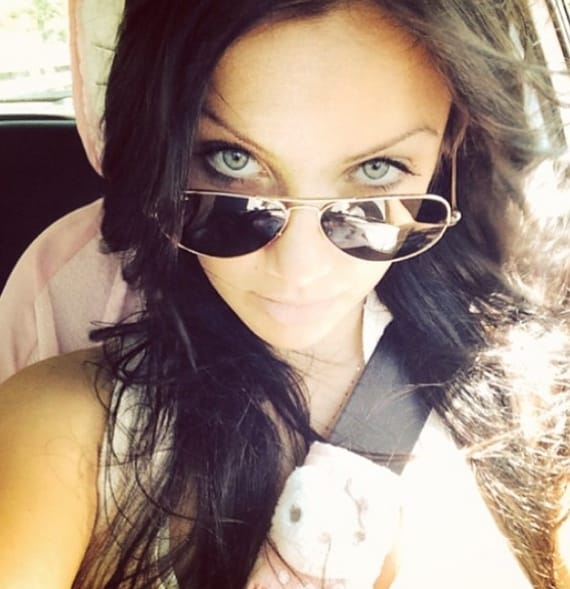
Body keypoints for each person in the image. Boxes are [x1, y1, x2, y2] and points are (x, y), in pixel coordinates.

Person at [0, 0, 569, 587]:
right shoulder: (60, 431)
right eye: (232, 161)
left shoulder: (536, 402)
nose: (300, 269)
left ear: (449, 151)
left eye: (377, 169)